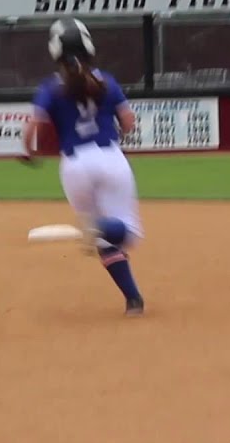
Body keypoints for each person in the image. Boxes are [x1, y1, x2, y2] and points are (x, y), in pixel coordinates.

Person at [21, 18, 145, 317]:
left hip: (74, 166)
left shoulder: (50, 88)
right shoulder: (106, 81)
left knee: (103, 241)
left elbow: (32, 129)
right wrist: (121, 138)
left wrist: (30, 152)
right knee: (125, 234)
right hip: (109, 157)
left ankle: (134, 301)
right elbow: (128, 122)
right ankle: (99, 228)